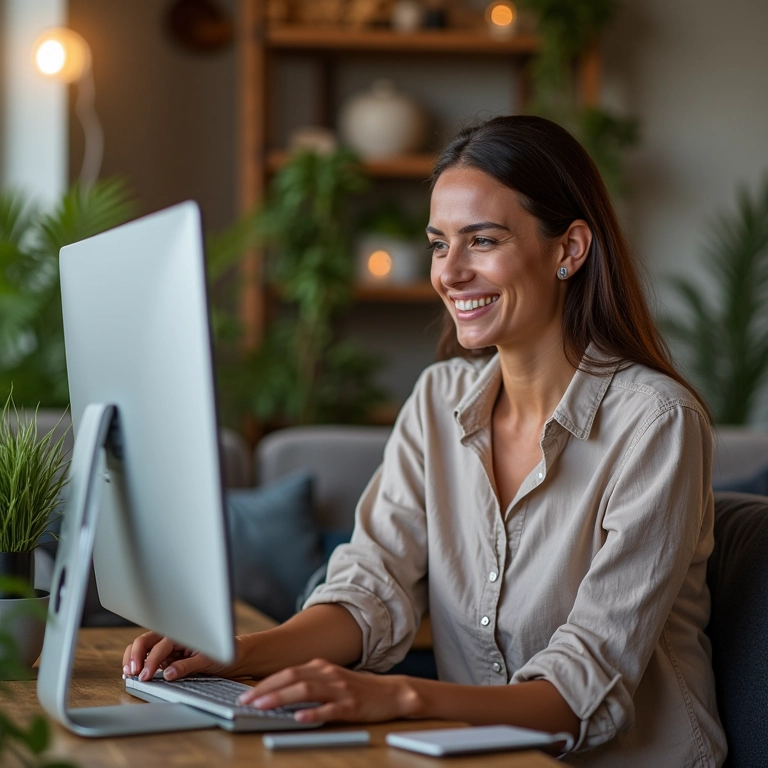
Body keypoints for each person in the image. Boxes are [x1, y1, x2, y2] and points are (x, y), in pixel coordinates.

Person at [124, 115, 727, 766]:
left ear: (569, 250)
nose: (451, 272)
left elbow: (578, 690)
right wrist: (237, 653)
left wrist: (400, 697)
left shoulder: (657, 424)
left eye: (483, 240)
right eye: (440, 244)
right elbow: (370, 588)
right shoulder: (439, 402)